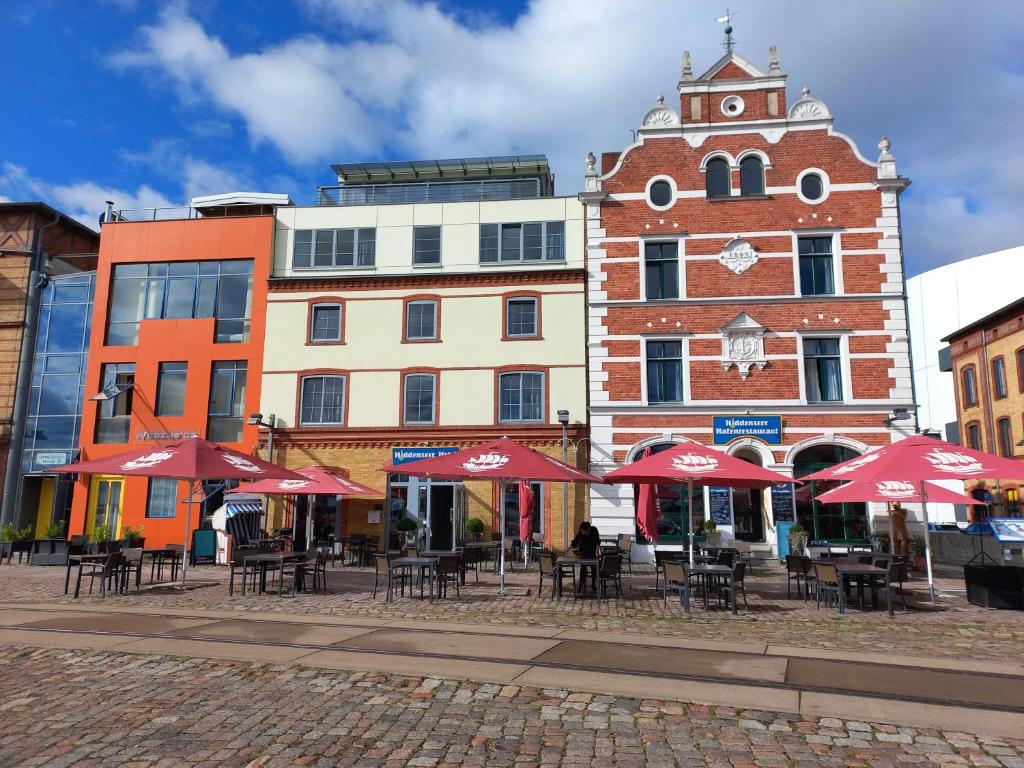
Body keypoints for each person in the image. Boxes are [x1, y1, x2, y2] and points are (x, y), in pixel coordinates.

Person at [570, 521, 601, 594]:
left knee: (594, 569)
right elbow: (574, 543)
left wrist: (597, 552)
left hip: (592, 553)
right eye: (581, 531)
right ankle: (580, 586)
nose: (582, 532)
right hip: (583, 553)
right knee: (583, 569)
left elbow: (597, 542)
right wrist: (565, 551)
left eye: (583, 531)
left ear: (588, 529)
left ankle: (594, 585)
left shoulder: (594, 530)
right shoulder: (581, 532)